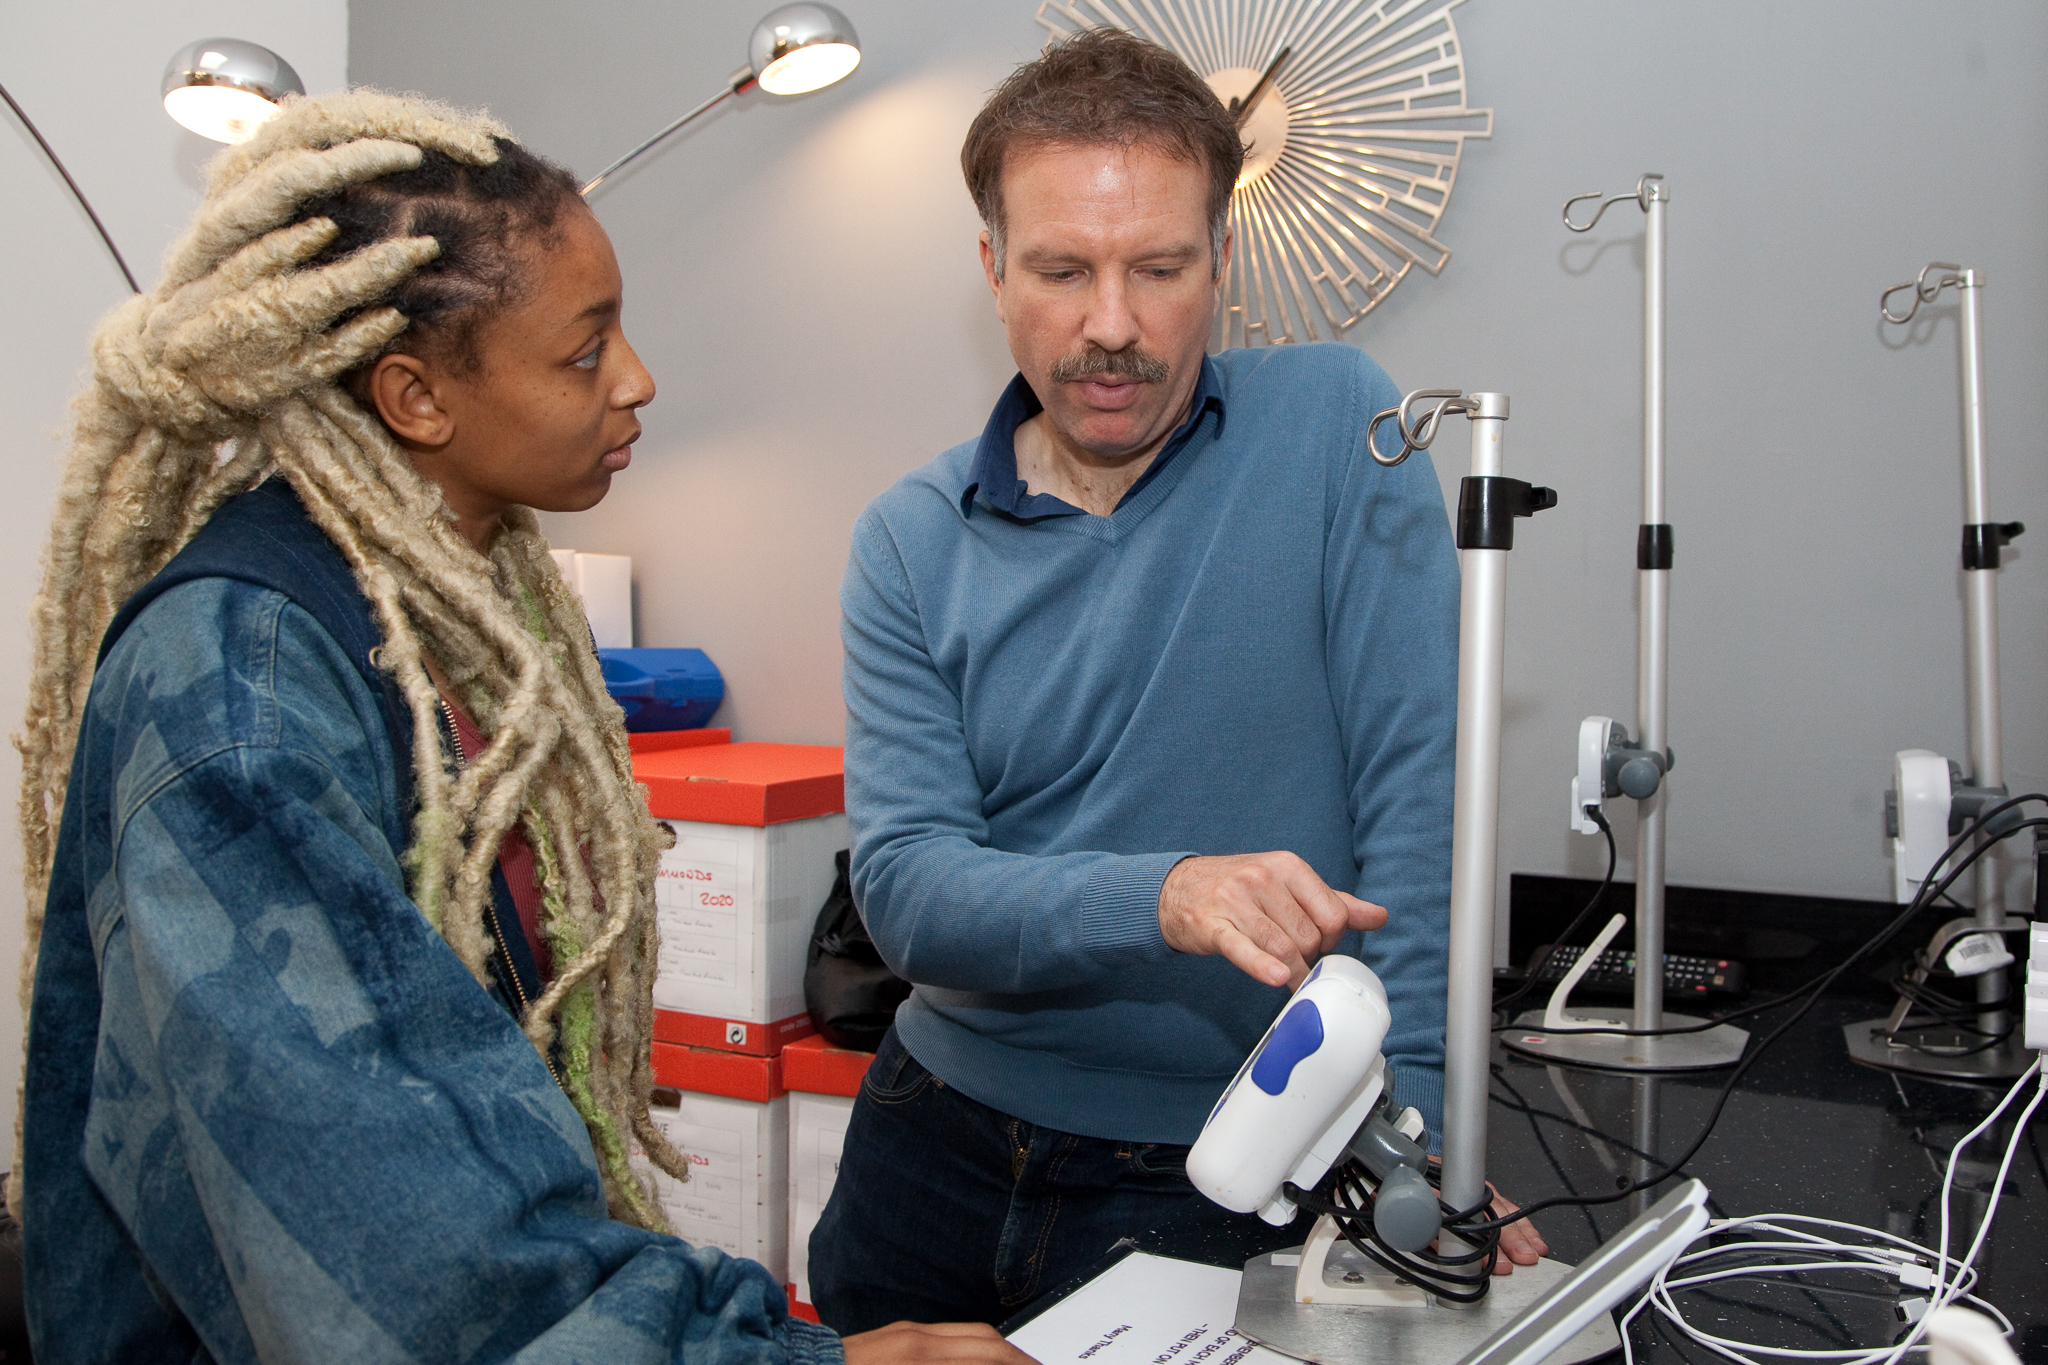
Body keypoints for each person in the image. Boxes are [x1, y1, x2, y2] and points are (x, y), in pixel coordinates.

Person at [14, 90, 1033, 1365]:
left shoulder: (469, 609)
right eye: (581, 350)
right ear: (417, 397)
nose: (637, 379)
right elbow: (406, 1245)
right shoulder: (241, 685)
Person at [811, 30, 1546, 1332]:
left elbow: (1417, 802)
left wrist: (1423, 1140)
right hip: (928, 1157)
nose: (1113, 326)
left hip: (1239, 1160)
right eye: (1060, 270)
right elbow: (910, 892)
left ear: (1222, 261)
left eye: (1160, 269)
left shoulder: (1342, 427)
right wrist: (1166, 896)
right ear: (991, 271)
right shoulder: (906, 540)